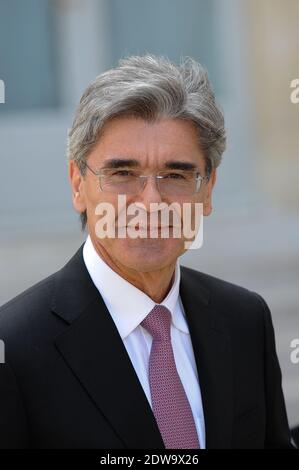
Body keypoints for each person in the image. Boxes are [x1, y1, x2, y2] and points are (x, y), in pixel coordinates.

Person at [0, 55, 293, 449]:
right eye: (122, 174)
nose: (151, 202)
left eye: (175, 175)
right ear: (77, 185)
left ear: (207, 190)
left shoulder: (244, 320)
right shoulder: (15, 347)